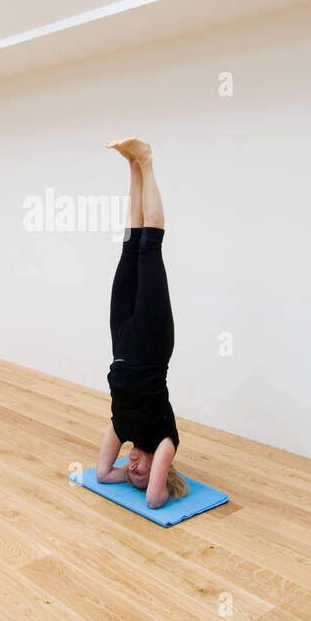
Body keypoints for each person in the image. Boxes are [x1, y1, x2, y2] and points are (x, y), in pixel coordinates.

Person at [96, 138, 189, 509]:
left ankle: (131, 167)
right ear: (160, 470)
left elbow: (103, 473)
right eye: (140, 471)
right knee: (150, 246)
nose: (130, 465)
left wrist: (124, 477)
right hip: (151, 343)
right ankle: (147, 161)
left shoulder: (122, 429)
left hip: (121, 342)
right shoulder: (165, 438)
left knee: (129, 245)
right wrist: (149, 482)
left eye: (129, 472)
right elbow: (153, 501)